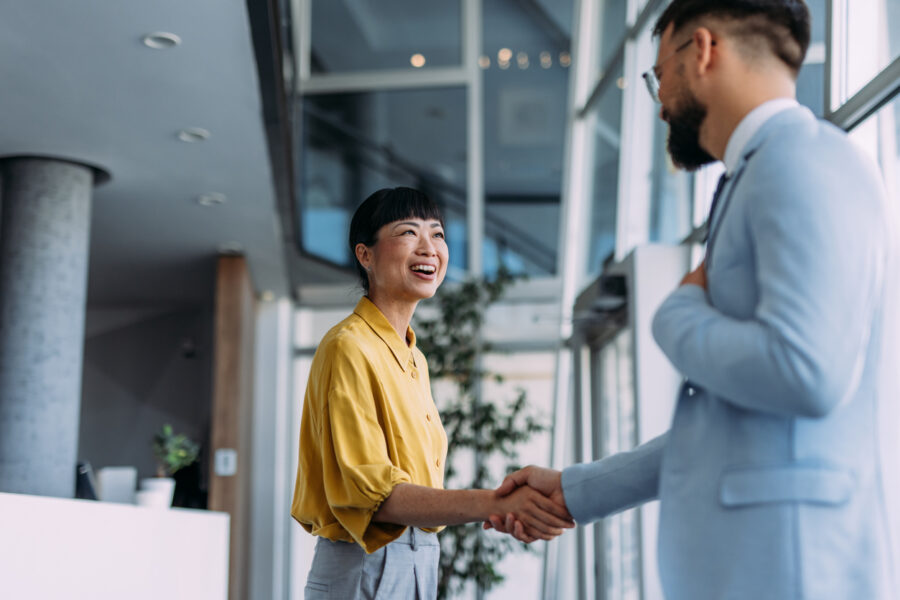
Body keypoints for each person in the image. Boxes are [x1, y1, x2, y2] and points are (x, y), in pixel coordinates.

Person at [488, 1, 900, 599]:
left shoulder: (802, 160)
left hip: (793, 569)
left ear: (703, 50)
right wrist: (578, 490)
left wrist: (675, 314)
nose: (659, 103)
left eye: (660, 76)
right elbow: (732, 424)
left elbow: (806, 372)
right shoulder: (759, 174)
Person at [291, 187, 573, 599]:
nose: (429, 248)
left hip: (420, 557)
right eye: (408, 232)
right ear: (365, 255)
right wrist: (496, 502)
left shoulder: (414, 358)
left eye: (438, 234)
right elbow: (378, 495)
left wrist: (501, 508)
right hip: (365, 564)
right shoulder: (348, 346)